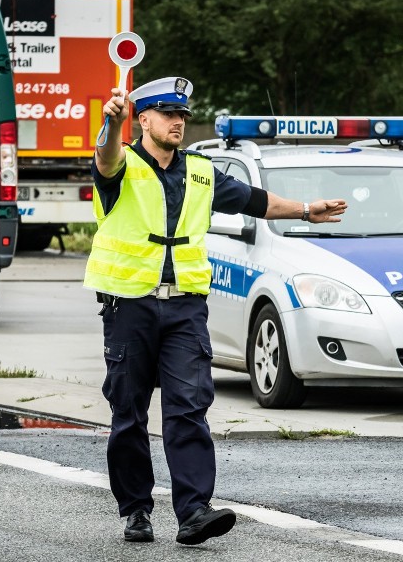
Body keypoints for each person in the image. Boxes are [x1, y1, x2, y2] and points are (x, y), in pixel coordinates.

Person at [84, 77, 347, 545]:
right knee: (128, 413)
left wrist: (308, 210)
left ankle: (193, 513)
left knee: (189, 408)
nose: (178, 123)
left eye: (183, 116)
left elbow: (255, 201)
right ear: (143, 119)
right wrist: (109, 121)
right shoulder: (122, 165)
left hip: (185, 308)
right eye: (168, 114)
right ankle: (136, 510)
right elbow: (104, 157)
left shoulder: (201, 172)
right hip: (130, 307)